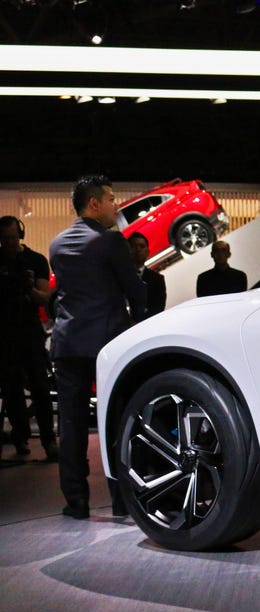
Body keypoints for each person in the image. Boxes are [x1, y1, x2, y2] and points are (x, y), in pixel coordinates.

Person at [49, 175, 147, 520]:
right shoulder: (110, 241)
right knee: (116, 422)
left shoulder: (57, 244)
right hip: (107, 346)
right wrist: (141, 322)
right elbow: (134, 290)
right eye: (110, 199)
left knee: (71, 426)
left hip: (67, 344)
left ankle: (76, 503)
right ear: (94, 203)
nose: (115, 206)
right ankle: (122, 502)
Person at [0, 215, 57, 462]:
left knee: (40, 388)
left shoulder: (35, 260)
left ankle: (48, 441)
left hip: (30, 332)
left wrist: (29, 288)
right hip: (5, 334)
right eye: (5, 239)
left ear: (20, 235)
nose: (10, 243)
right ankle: (20, 438)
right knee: (11, 390)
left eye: (13, 238)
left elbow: (45, 299)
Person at [127, 231, 165, 315]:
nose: (138, 249)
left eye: (142, 246)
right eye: (133, 246)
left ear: (147, 252)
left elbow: (158, 310)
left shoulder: (158, 280)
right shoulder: (119, 278)